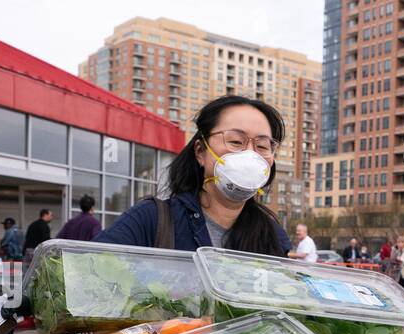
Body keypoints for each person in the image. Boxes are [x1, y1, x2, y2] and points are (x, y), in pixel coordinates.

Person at [93, 95, 290, 256]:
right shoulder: (150, 219)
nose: (250, 155)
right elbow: (88, 275)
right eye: (236, 141)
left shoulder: (273, 236)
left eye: (262, 146)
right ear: (200, 152)